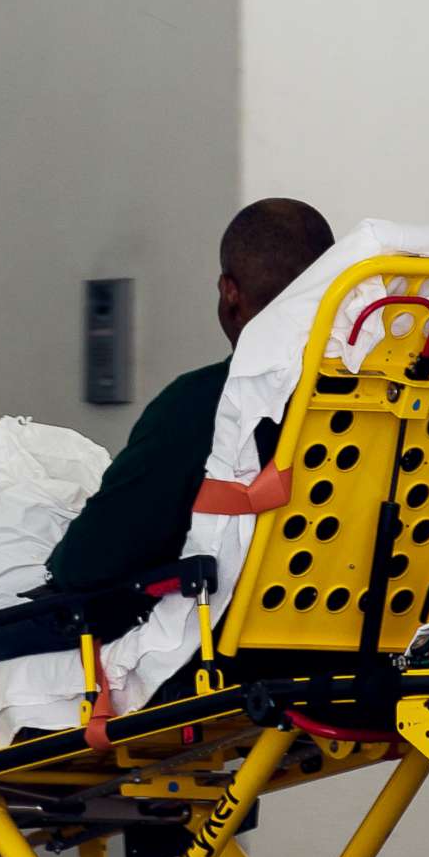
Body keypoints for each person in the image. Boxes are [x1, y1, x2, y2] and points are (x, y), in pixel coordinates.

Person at [45, 198, 334, 593]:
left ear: (229, 291)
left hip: (226, 643)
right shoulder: (388, 402)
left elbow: (87, 566)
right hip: (381, 634)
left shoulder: (201, 407)